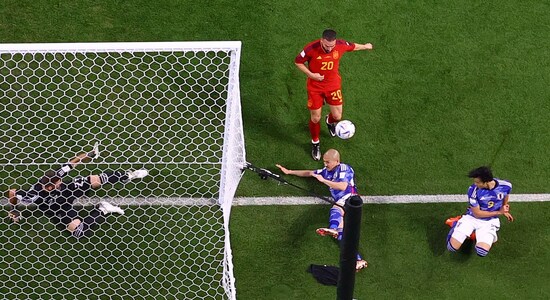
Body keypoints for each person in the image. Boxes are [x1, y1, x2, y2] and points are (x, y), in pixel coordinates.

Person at [7, 143, 148, 238]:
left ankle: (128, 175)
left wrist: (90, 154)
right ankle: (103, 209)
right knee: (77, 231)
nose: (60, 180)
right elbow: (13, 192)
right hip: (59, 207)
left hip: (68, 191)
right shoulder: (34, 195)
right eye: (58, 183)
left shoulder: (58, 178)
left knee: (95, 179)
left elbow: (71, 163)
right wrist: (14, 209)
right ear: (49, 187)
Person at [276, 149, 367, 271]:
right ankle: (358, 259)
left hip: (350, 198)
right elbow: (310, 173)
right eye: (324, 162)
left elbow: (343, 186)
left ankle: (334, 229)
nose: (325, 164)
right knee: (342, 236)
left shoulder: (344, 169)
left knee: (336, 209)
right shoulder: (326, 171)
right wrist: (289, 172)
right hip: (342, 200)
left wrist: (324, 181)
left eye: (328, 162)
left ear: (337, 161)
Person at [294, 29, 373, 160]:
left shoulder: (340, 45)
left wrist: (365, 46)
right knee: (315, 118)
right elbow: (298, 62)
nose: (330, 49)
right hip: (315, 87)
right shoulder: (311, 48)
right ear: (321, 41)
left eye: (332, 46)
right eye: (326, 46)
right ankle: (315, 142)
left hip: (333, 86)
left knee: (337, 116)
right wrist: (311, 75)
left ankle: (329, 121)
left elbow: (353, 46)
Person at [446, 166, 514, 257]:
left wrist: (504, 207)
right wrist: (499, 212)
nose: (475, 184)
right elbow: (477, 214)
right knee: (452, 247)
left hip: (489, 221)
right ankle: (456, 223)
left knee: (482, 252)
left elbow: (506, 195)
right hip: (472, 218)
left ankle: (473, 234)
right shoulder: (473, 190)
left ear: (486, 182)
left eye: (477, 182)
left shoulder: (506, 185)